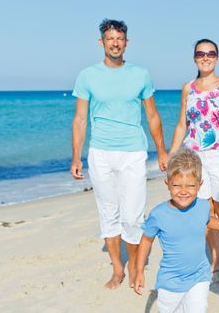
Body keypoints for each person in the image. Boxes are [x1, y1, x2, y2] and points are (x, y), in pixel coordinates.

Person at [70, 19, 168, 289]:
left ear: (126, 42)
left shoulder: (141, 75)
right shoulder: (88, 75)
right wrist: (76, 156)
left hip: (133, 152)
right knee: (108, 213)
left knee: (133, 216)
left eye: (120, 39)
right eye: (110, 39)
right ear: (102, 42)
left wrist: (161, 151)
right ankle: (117, 269)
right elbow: (80, 119)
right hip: (100, 153)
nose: (115, 43)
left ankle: (137, 267)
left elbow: (152, 115)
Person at [133, 149, 219, 313]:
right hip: (170, 282)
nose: (183, 191)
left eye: (190, 186)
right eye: (176, 185)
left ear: (199, 185)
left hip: (199, 277)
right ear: (167, 183)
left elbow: (213, 223)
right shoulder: (158, 214)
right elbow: (146, 241)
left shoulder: (203, 206)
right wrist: (139, 270)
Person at [169, 39, 219, 271]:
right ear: (195, 58)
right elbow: (182, 124)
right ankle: (215, 254)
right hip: (194, 156)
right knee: (204, 207)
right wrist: (171, 155)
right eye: (201, 53)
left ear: (217, 58)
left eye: (210, 53)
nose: (206, 57)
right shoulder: (188, 88)